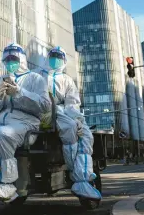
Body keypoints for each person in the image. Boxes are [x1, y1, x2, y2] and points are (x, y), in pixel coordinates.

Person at [0, 43, 51, 200]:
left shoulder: (36, 79)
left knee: (3, 135)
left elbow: (44, 106)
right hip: (1, 121)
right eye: (6, 59)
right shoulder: (1, 79)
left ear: (22, 59)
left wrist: (19, 93)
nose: (9, 62)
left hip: (26, 123)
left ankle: (8, 184)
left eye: (13, 58)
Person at [37, 46, 101, 201]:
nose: (55, 59)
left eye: (59, 57)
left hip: (62, 113)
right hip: (44, 114)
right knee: (70, 128)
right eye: (53, 56)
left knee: (85, 133)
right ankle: (77, 175)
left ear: (64, 61)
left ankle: (83, 177)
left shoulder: (67, 80)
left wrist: (78, 119)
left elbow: (72, 104)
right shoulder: (38, 77)